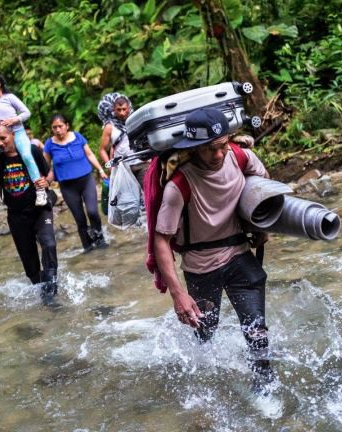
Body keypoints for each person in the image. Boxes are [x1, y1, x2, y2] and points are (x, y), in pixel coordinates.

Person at [147, 108, 273, 392]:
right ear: (193, 149)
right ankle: (206, 388)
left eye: (222, 145)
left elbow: (265, 188)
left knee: (258, 334)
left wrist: (260, 226)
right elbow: (161, 241)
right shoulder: (179, 185)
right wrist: (179, 295)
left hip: (240, 256)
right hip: (201, 269)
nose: (218, 155)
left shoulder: (241, 157)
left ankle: (264, 389)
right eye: (209, 149)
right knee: (206, 335)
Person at [0, 124, 59, 306]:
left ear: (13, 135)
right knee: (29, 261)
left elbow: (50, 174)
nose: (0, 143)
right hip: (16, 215)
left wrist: (45, 182)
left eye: (3, 138)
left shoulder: (31, 150)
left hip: (40, 209)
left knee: (49, 244)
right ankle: (43, 294)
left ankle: (52, 290)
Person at [0, 69, 47, 210]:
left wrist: (14, 119)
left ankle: (40, 190)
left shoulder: (9, 98)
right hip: (1, 138)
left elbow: (26, 112)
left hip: (18, 132)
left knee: (27, 155)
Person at [43, 114, 109, 252]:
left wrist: (101, 170)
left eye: (60, 126)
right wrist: (45, 181)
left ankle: (100, 240)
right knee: (79, 218)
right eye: (54, 127)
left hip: (86, 180)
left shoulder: (78, 137)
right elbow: (46, 166)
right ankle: (88, 247)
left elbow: (90, 154)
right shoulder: (50, 144)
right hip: (67, 187)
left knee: (92, 211)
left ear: (67, 126)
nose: (58, 130)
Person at [98, 94, 150, 187]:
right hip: (122, 168)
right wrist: (111, 167)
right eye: (119, 109)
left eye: (124, 109)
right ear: (114, 110)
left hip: (142, 163)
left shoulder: (136, 121)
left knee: (147, 192)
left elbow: (147, 139)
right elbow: (102, 150)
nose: (122, 113)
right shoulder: (109, 127)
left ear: (129, 108)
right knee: (130, 199)